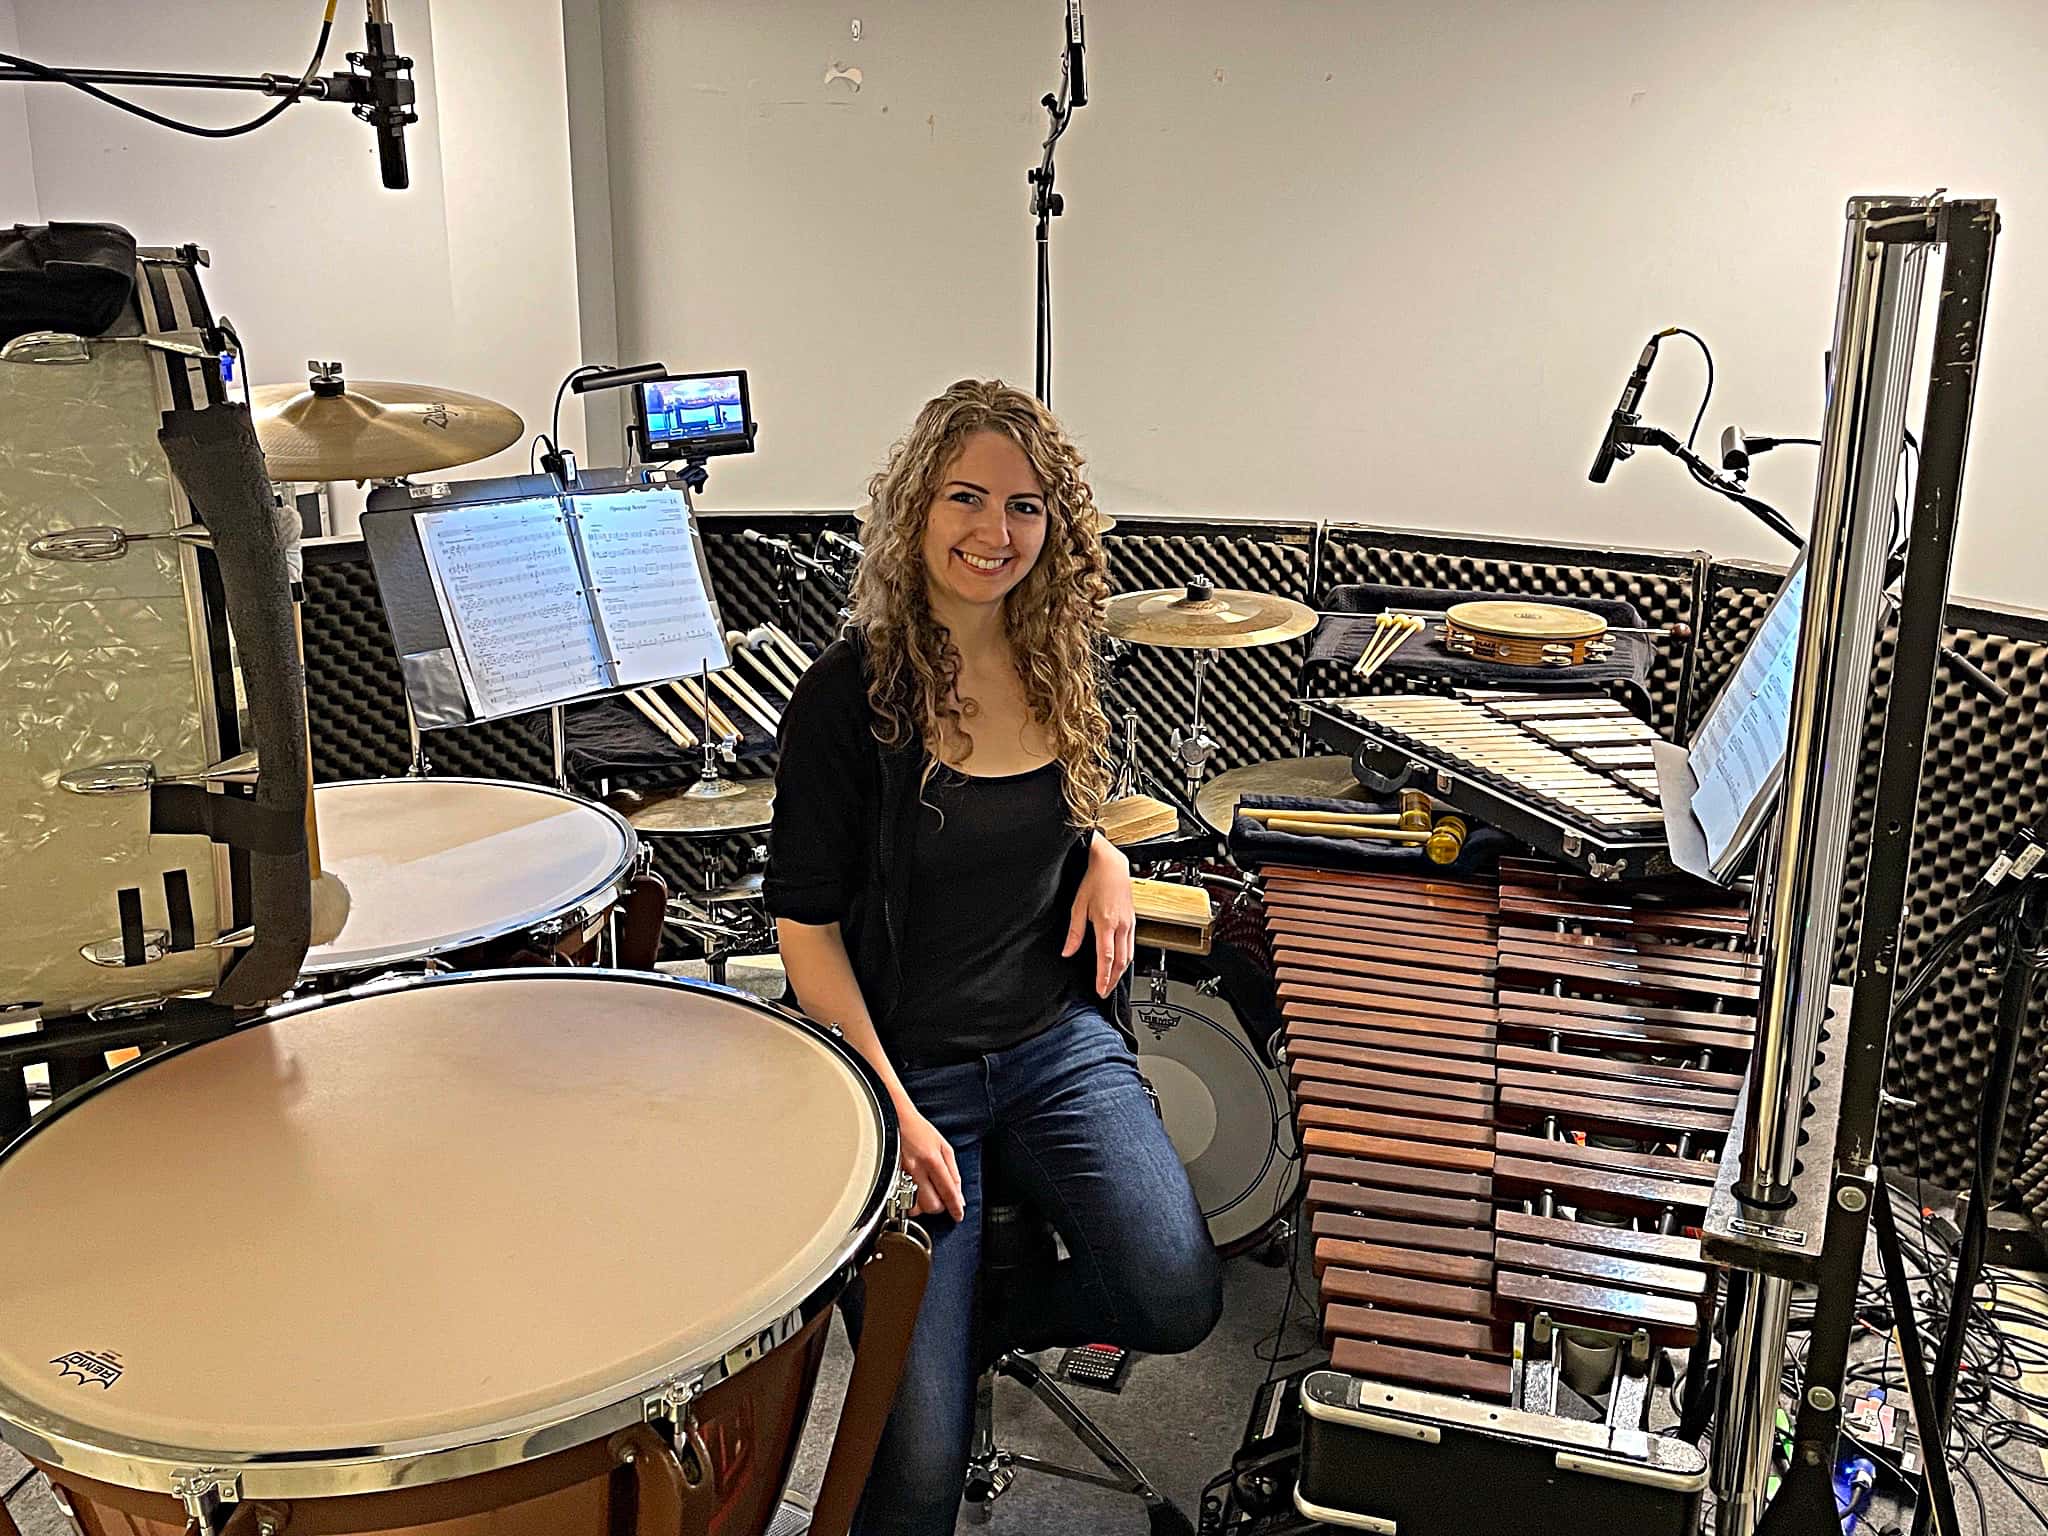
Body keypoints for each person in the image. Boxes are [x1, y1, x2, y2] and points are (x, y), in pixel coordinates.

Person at [764, 379, 1223, 1535]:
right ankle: (928, 1342)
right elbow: (803, 931)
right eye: (965, 498)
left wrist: (1104, 858)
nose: (993, 531)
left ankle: (968, 1322)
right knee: (911, 1479)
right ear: (914, 507)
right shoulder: (846, 700)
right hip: (905, 1066)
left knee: (1175, 1294)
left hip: (1050, 1043)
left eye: (1024, 508)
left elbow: (1074, 813)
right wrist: (890, 1110)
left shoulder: (1061, 662)